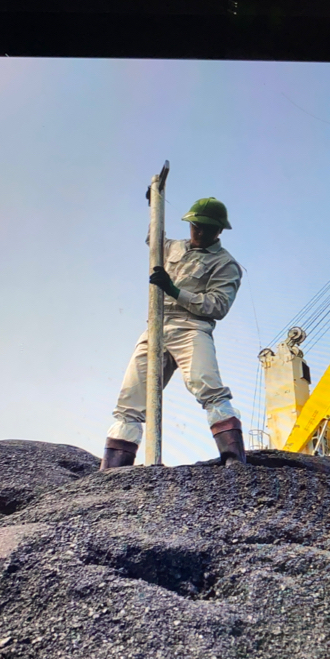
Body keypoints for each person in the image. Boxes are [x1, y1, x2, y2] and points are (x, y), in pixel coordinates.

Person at [100, 197, 247, 469]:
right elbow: (153, 239)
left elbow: (218, 305)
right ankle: (113, 470)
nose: (198, 231)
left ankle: (234, 461)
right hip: (157, 325)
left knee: (208, 387)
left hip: (192, 327)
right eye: (195, 225)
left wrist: (175, 291)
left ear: (219, 230)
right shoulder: (173, 247)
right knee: (131, 399)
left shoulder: (225, 264)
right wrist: (153, 202)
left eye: (205, 227)